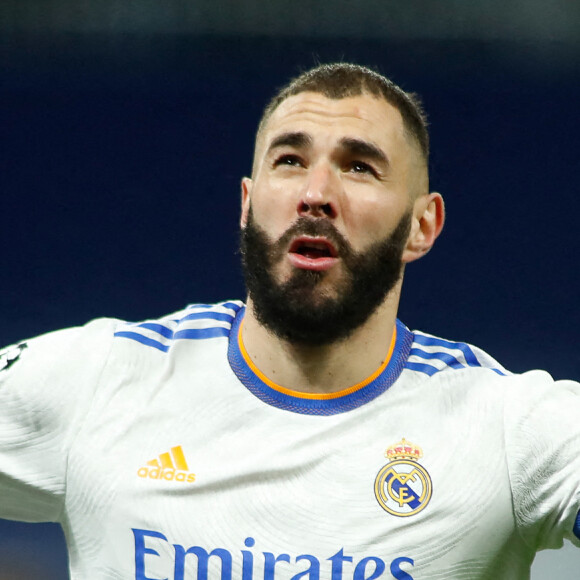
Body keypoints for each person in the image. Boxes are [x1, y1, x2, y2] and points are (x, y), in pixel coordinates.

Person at [0, 62, 578, 580]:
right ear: (248, 204)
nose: (315, 193)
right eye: (290, 160)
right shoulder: (102, 378)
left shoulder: (505, 427)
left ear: (421, 226)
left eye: (359, 167)